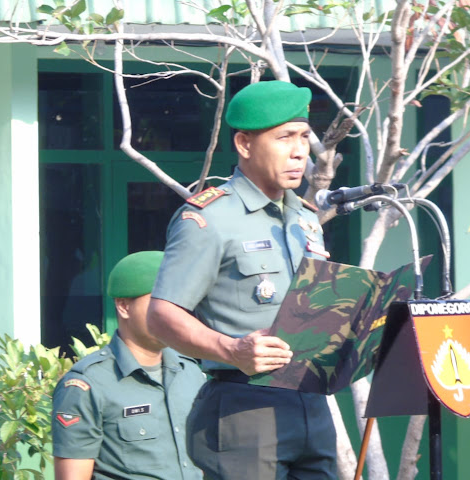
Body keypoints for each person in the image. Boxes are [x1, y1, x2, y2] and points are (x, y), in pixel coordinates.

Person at [147, 80, 337, 480]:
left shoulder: (305, 219)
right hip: (243, 406)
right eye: (284, 137)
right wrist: (231, 349)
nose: (300, 150)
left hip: (311, 402)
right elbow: (161, 314)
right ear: (245, 145)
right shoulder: (210, 218)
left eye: (304, 136)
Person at [52, 251, 206, 480]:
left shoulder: (191, 372)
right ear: (124, 306)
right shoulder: (87, 385)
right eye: (160, 302)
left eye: (178, 302)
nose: (173, 314)